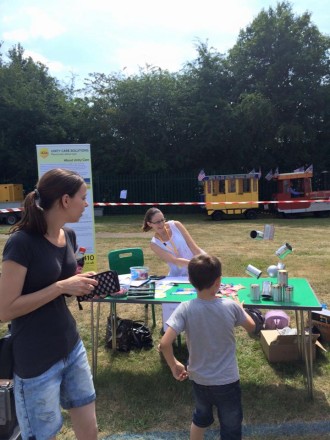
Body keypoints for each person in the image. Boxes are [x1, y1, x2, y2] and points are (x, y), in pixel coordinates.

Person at [0, 168, 99, 440]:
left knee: (89, 426)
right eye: (83, 197)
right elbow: (5, 309)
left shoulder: (67, 236)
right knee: (44, 434)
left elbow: (63, 284)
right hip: (36, 359)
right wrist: (60, 287)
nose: (86, 204)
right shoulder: (21, 243)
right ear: (65, 200)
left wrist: (80, 286)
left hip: (71, 345)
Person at [159, 254, 256, 440]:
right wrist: (240, 307)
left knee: (200, 418)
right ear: (218, 282)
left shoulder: (185, 308)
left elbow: (164, 343)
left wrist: (174, 365)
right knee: (231, 426)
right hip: (227, 381)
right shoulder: (230, 306)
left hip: (199, 380)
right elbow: (251, 327)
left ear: (190, 281)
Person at [142, 207, 205, 276]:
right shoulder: (154, 244)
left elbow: (193, 247)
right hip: (180, 274)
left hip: (199, 267)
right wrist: (195, 265)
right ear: (149, 224)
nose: (161, 224)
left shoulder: (176, 225)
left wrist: (203, 262)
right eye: (157, 222)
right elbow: (174, 260)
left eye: (162, 220)